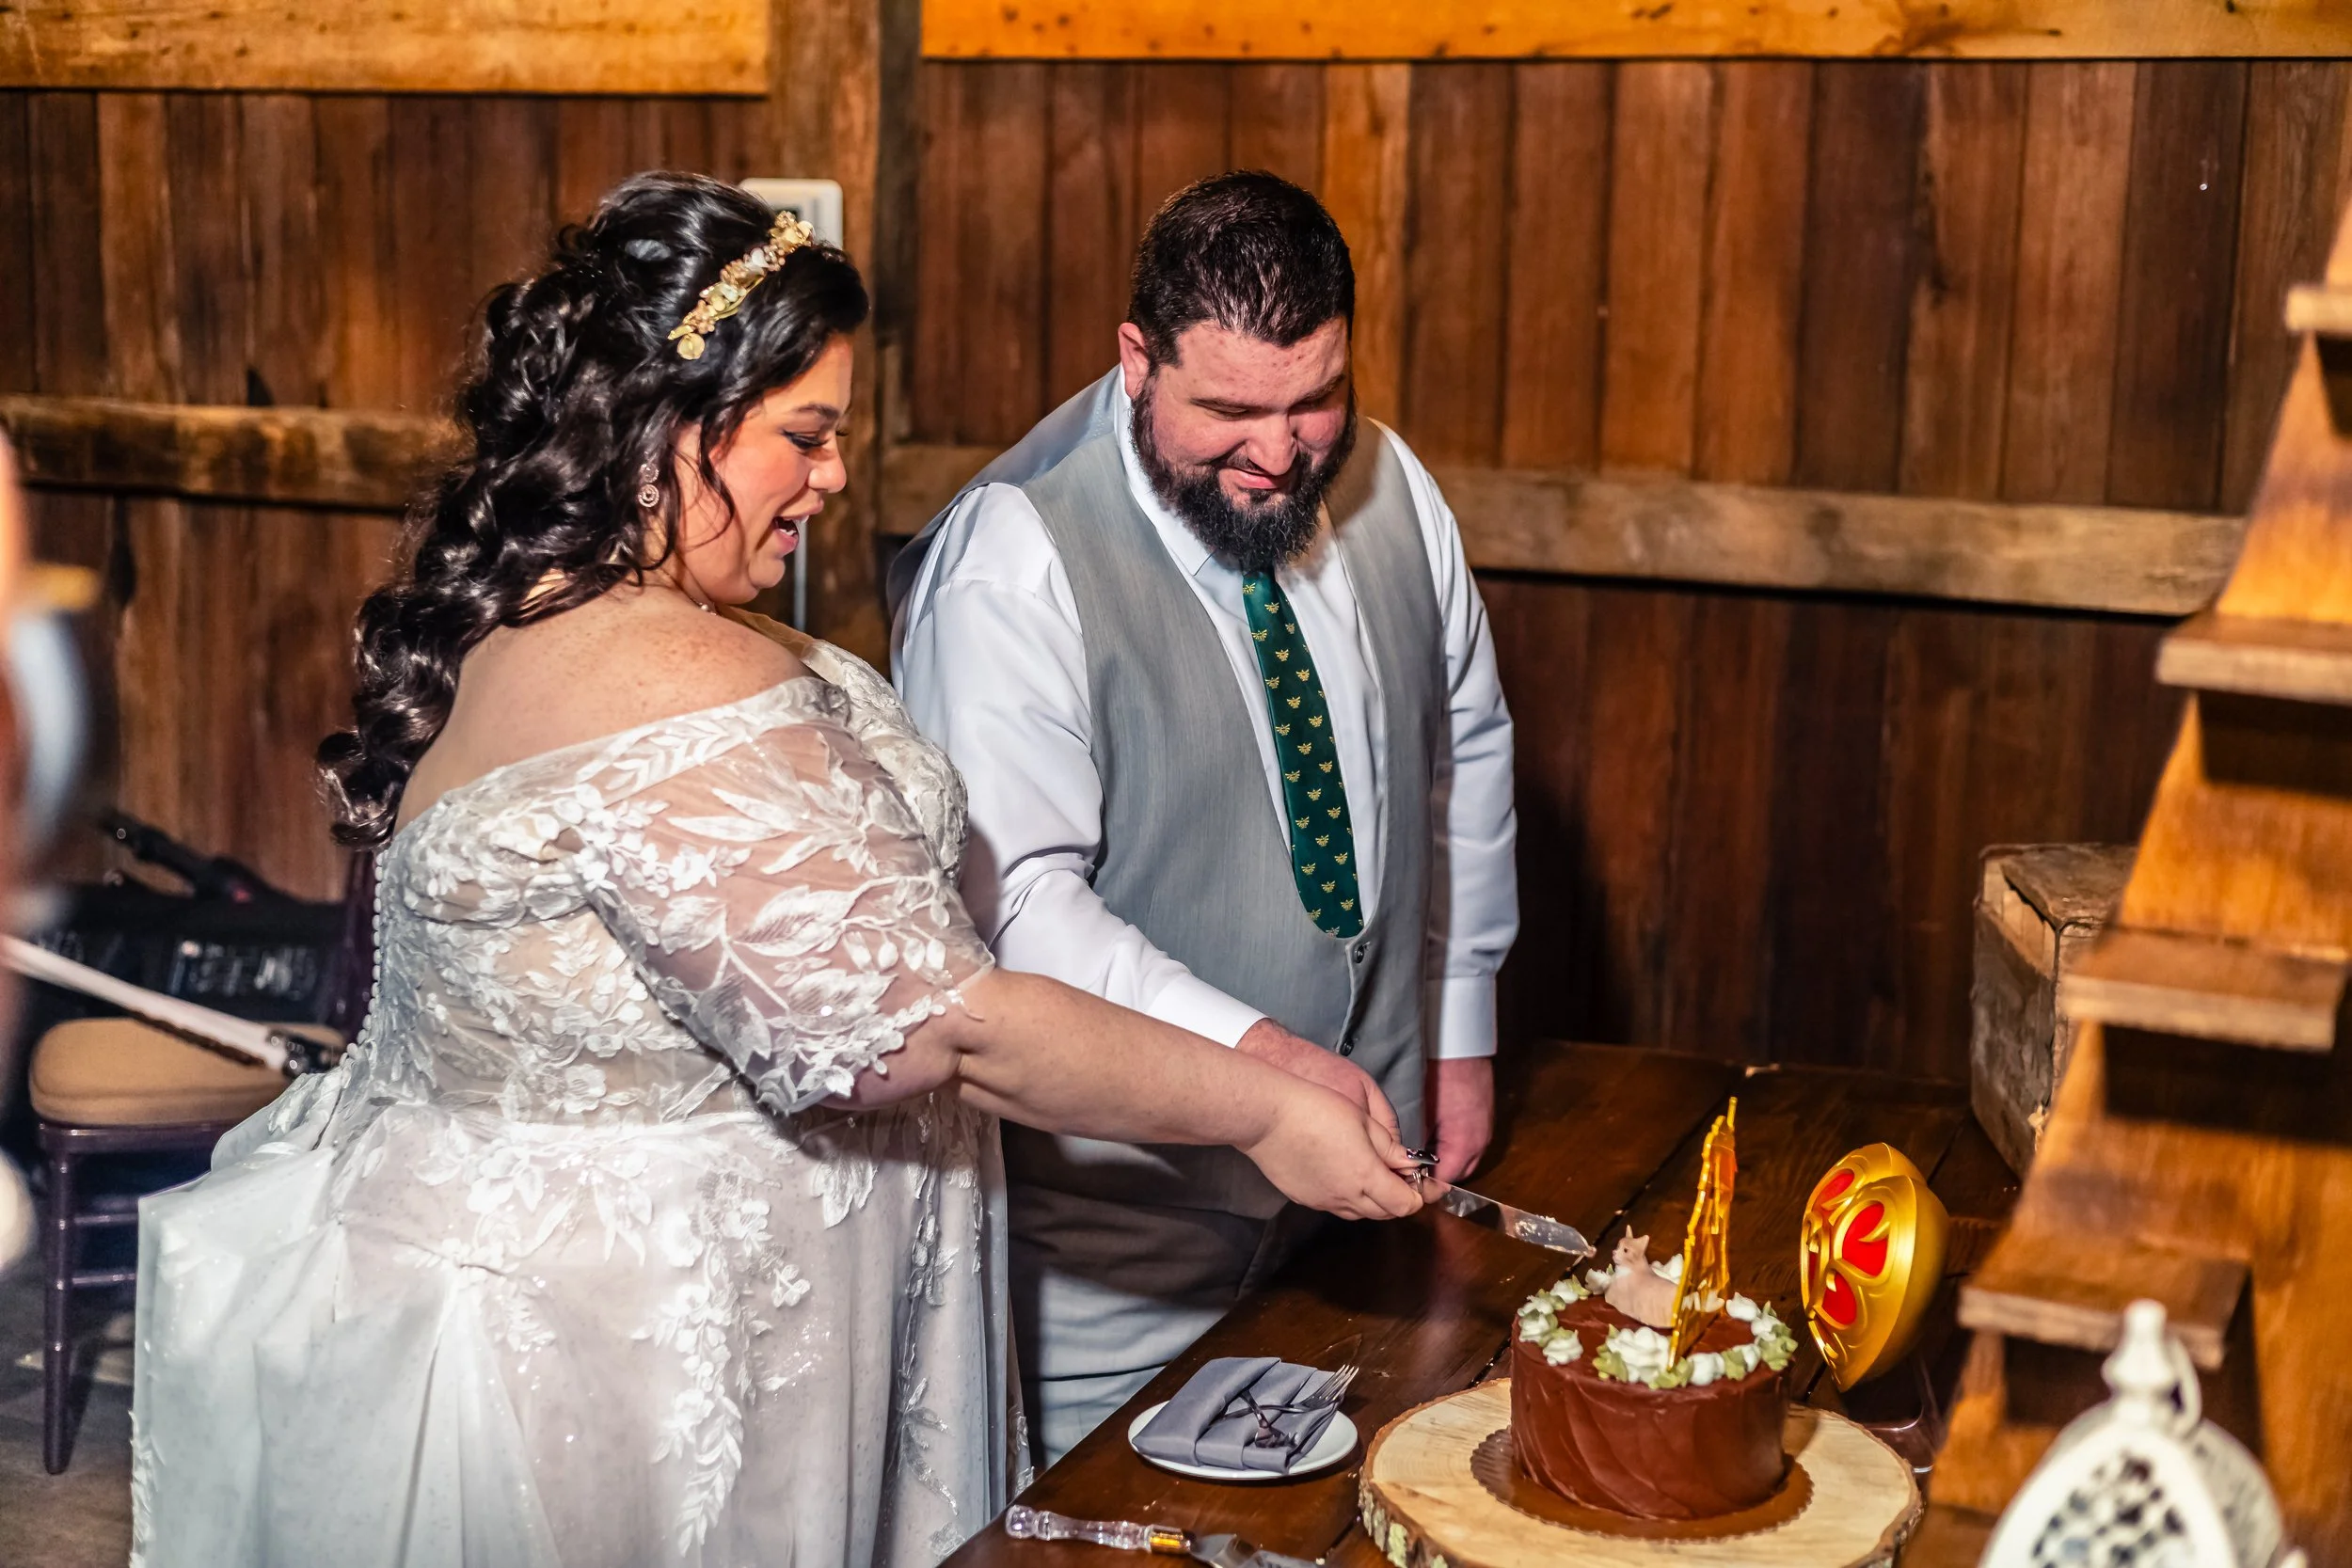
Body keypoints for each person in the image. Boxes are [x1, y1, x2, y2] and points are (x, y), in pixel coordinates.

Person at [127, 173, 1422, 1568]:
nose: (837, 474)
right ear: (668, 424)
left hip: (691, 1311)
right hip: (626, 1361)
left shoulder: (577, 612)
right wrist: (1259, 1105)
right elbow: (936, 1031)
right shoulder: (660, 671)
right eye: (805, 435)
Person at [892, 171, 1518, 1465]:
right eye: (1229, 408)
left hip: (1369, 1207)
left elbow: (1462, 752)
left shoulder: (1397, 485)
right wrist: (1263, 1067)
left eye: (1314, 402)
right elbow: (1012, 910)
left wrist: (1459, 1024)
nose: (1280, 452)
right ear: (1137, 360)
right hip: (1119, 1246)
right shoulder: (1014, 554)